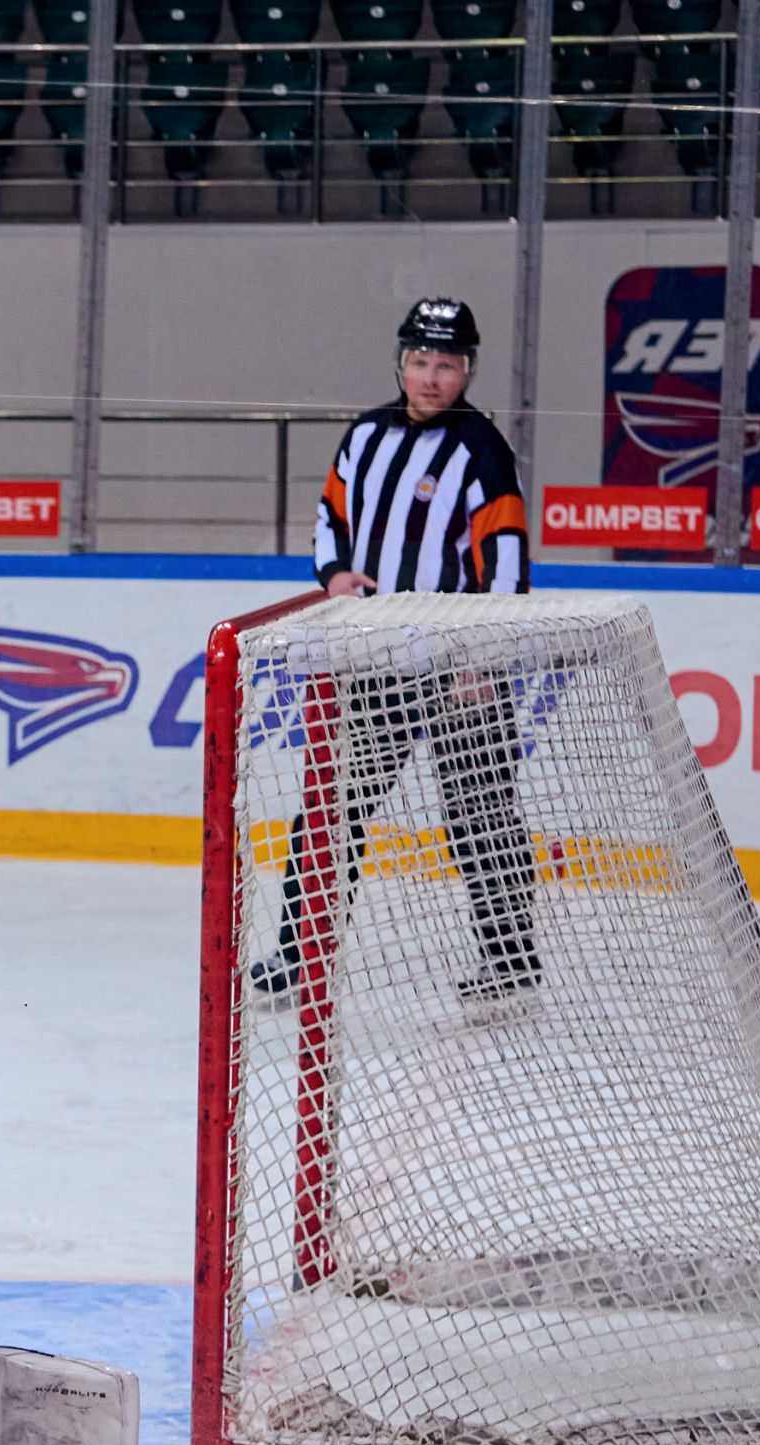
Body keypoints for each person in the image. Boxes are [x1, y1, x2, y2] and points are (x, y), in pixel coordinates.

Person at [253, 296, 542, 1005]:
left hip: (459, 669)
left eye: (447, 364)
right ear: (400, 363)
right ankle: (298, 953)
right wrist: (333, 574)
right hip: (376, 661)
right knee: (332, 810)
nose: (432, 377)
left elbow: (505, 556)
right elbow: (331, 514)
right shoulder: (365, 435)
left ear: (467, 370)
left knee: (481, 816)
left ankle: (510, 963)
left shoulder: (481, 448)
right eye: (420, 361)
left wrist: (483, 655)